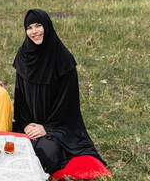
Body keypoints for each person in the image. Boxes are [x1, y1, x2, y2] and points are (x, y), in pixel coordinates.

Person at [12, 9, 106, 174]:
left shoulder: (63, 59)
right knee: (14, 153)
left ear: (47, 26)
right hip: (27, 125)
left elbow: (68, 105)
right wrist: (26, 125)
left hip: (57, 128)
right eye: (30, 28)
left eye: (38, 26)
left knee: (44, 158)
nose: (34, 32)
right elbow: (20, 97)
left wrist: (46, 128)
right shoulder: (23, 56)